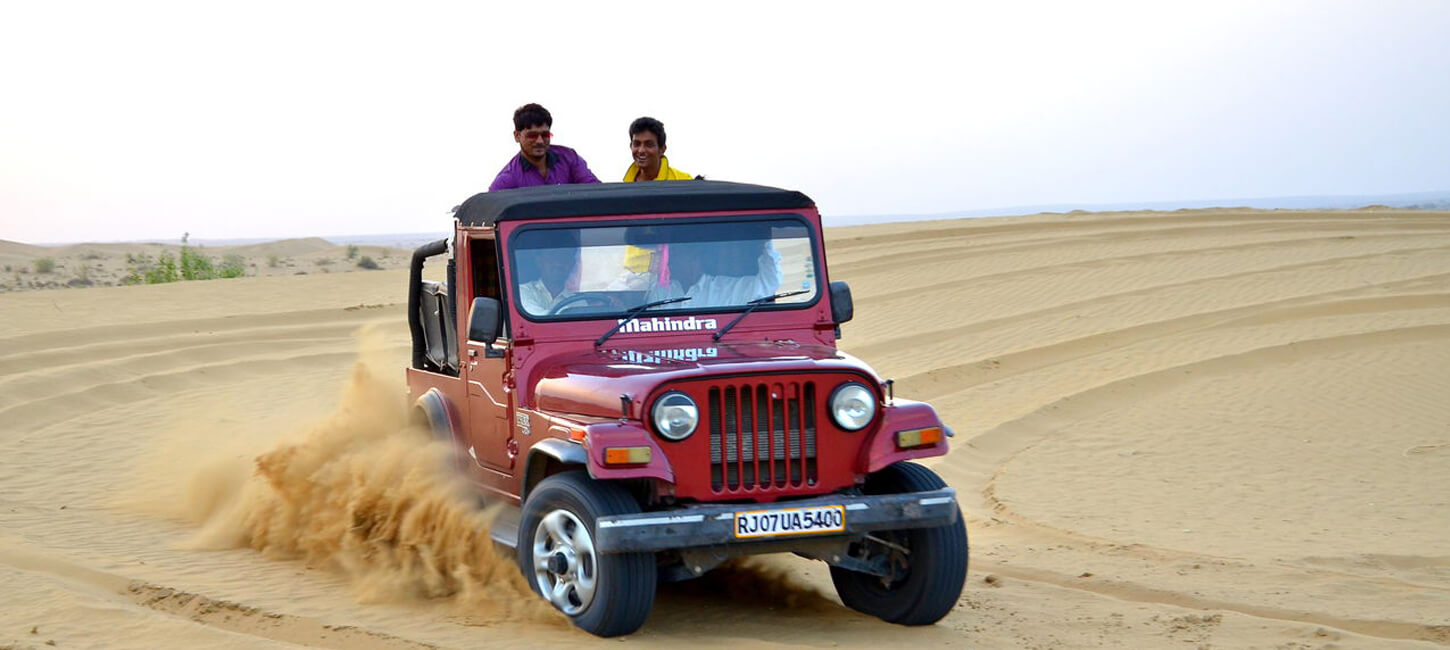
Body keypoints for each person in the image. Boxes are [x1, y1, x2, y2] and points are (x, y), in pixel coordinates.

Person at [489, 103, 601, 191]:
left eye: (545, 135)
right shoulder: (506, 180)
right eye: (532, 136)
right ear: (517, 136)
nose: (540, 141)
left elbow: (597, 192)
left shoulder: (570, 158)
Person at [645, 239, 782, 307]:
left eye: (674, 255)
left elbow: (768, 283)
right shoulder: (661, 291)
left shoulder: (726, 288)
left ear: (694, 257)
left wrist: (765, 240)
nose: (668, 262)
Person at [623, 117, 692, 182]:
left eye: (649, 145)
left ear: (662, 149)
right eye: (637, 144)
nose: (641, 150)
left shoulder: (684, 181)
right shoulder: (623, 189)